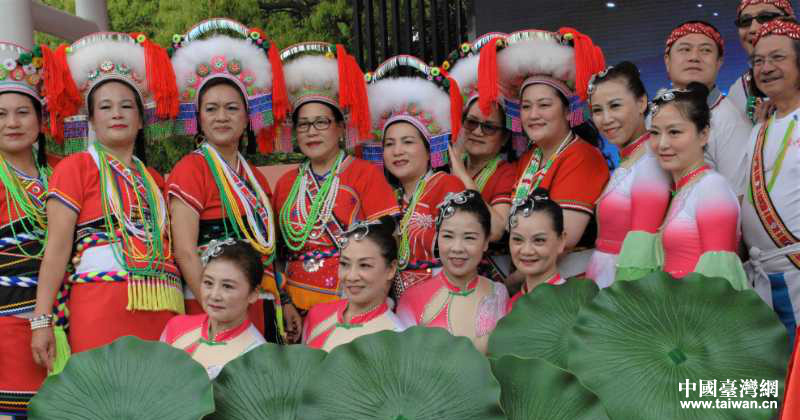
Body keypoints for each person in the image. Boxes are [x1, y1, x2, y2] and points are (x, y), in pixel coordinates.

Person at [31, 33, 182, 369]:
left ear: (141, 120)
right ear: (91, 119)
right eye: (105, 107)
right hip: (100, 304)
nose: (117, 114)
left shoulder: (154, 179)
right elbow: (56, 249)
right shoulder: (76, 168)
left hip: (163, 304)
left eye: (127, 106)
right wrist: (42, 319)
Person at [167, 19, 288, 342]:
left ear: (247, 117)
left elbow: (268, 250)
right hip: (212, 305)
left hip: (258, 299)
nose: (222, 117)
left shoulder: (255, 177)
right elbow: (185, 251)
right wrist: (214, 309)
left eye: (232, 108)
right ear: (199, 117)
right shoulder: (190, 169)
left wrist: (284, 299)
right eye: (212, 109)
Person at [274, 43, 399, 334]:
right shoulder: (286, 183)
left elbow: (387, 243)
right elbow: (276, 254)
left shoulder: (364, 174)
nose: (311, 131)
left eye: (321, 122)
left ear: (341, 128)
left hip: (349, 301)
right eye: (303, 124)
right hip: (294, 309)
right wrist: (284, 302)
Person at [477, 29, 610, 278]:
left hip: (570, 283)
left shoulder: (583, 156)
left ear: (568, 111)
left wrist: (509, 285)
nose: (533, 115)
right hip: (531, 279)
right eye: (526, 106)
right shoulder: (529, 158)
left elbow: (564, 239)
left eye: (544, 105)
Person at [365, 55, 466, 296]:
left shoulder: (447, 186)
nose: (397, 151)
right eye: (389, 144)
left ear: (429, 149)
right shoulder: (388, 197)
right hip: (397, 301)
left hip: (442, 295)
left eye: (408, 142)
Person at [0, 42, 58, 418]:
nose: (12, 123)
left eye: (23, 112)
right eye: (1, 114)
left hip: (66, 315)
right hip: (7, 320)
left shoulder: (64, 171)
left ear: (40, 119)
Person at [649, 83, 747, 288]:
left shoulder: (712, 189)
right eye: (655, 133)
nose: (662, 144)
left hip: (698, 307)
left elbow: (719, 285)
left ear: (703, 135)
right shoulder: (687, 189)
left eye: (674, 132)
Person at [585, 63, 671, 287]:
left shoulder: (651, 162)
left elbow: (644, 251)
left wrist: (624, 301)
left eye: (615, 106)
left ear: (642, 103)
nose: (606, 119)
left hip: (628, 285)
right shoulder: (633, 158)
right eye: (597, 110)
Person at [741, 18, 800, 341]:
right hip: (765, 277)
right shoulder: (761, 126)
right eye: (758, 61)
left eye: (778, 57)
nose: (766, 68)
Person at [397, 190, 508, 354]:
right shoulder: (412, 299)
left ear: (485, 242)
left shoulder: (498, 294)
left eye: (469, 238)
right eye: (448, 236)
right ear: (437, 238)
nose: (457, 248)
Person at [448, 35, 516, 284]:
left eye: (488, 127)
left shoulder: (507, 172)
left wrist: (461, 175)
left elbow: (497, 229)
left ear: (505, 137)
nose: (477, 131)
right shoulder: (446, 168)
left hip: (489, 280)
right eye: (471, 122)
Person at [664, 20, 753, 194]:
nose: (694, 57)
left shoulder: (730, 121)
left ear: (719, 62)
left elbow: (737, 200)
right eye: (685, 49)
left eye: (705, 50)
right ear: (667, 60)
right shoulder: (655, 113)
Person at [161, 239, 266, 379]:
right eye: (208, 283)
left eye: (227, 286)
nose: (214, 295)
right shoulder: (176, 327)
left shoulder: (256, 355)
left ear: (253, 294)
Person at [302, 216, 406, 351]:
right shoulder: (317, 315)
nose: (351, 276)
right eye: (344, 264)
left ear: (391, 269)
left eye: (364, 265)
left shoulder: (395, 337)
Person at [729, 0, 795, 123]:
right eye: (745, 21)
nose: (753, 29)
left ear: (790, 21)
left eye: (766, 17)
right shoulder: (737, 91)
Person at [506, 189, 566, 312]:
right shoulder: (512, 303)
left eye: (539, 240)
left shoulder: (571, 304)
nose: (527, 251)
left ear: (561, 241)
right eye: (517, 239)